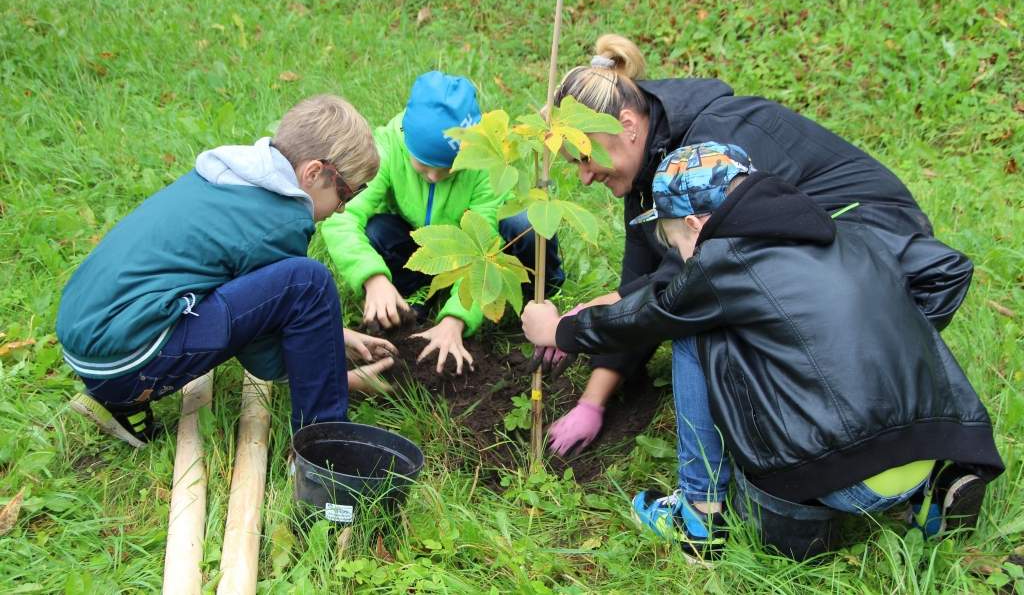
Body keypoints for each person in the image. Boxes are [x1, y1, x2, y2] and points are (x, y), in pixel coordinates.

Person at [522, 143, 1003, 560]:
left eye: (675, 242)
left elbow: (647, 315)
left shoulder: (722, 261)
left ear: (696, 223)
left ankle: (698, 517)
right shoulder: (846, 232)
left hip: (841, 476)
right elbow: (949, 268)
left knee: (695, 333)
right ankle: (927, 499)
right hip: (929, 443)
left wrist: (559, 329)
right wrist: (880, 337)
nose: (679, 258)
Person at [540, 33, 974, 457]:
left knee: (711, 318)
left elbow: (681, 288)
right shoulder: (648, 172)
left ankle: (719, 489)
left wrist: (578, 323)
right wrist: (591, 403)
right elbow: (639, 281)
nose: (583, 176)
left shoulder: (711, 151)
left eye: (583, 157)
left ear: (628, 126)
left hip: (872, 241)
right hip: (816, 260)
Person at [58, 94, 398, 447]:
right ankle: (323, 441)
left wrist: (330, 337)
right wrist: (332, 377)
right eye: (347, 193)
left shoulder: (231, 177)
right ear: (314, 172)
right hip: (130, 360)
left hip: (91, 342)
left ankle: (118, 404)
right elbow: (263, 353)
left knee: (295, 286)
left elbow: (254, 296)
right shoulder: (281, 220)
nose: (343, 209)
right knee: (309, 282)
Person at [321, 71, 563, 373]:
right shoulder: (386, 149)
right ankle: (414, 292)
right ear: (407, 140)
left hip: (468, 248)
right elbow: (341, 220)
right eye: (424, 165)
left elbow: (484, 249)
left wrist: (455, 320)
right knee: (378, 231)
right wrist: (373, 278)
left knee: (522, 225)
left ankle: (537, 297)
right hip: (419, 242)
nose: (435, 176)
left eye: (449, 168)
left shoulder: (485, 165)